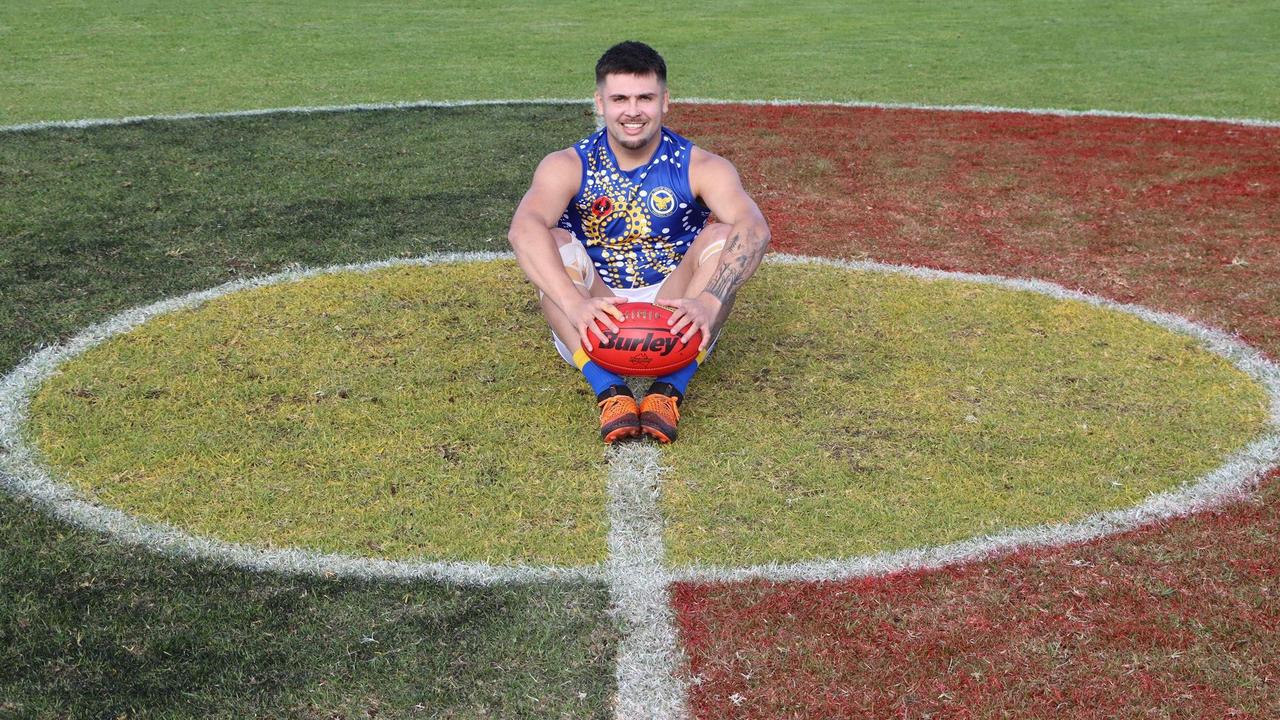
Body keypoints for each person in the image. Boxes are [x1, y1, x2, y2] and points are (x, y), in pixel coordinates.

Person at [508, 40, 770, 443]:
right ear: (599, 103)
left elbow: (754, 226)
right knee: (554, 240)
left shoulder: (700, 165)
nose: (632, 111)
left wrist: (708, 301)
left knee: (722, 235)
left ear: (666, 101)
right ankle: (609, 391)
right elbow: (522, 229)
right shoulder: (568, 164)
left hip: (677, 308)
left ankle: (670, 389)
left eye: (645, 97)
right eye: (620, 98)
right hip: (592, 311)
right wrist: (574, 302)